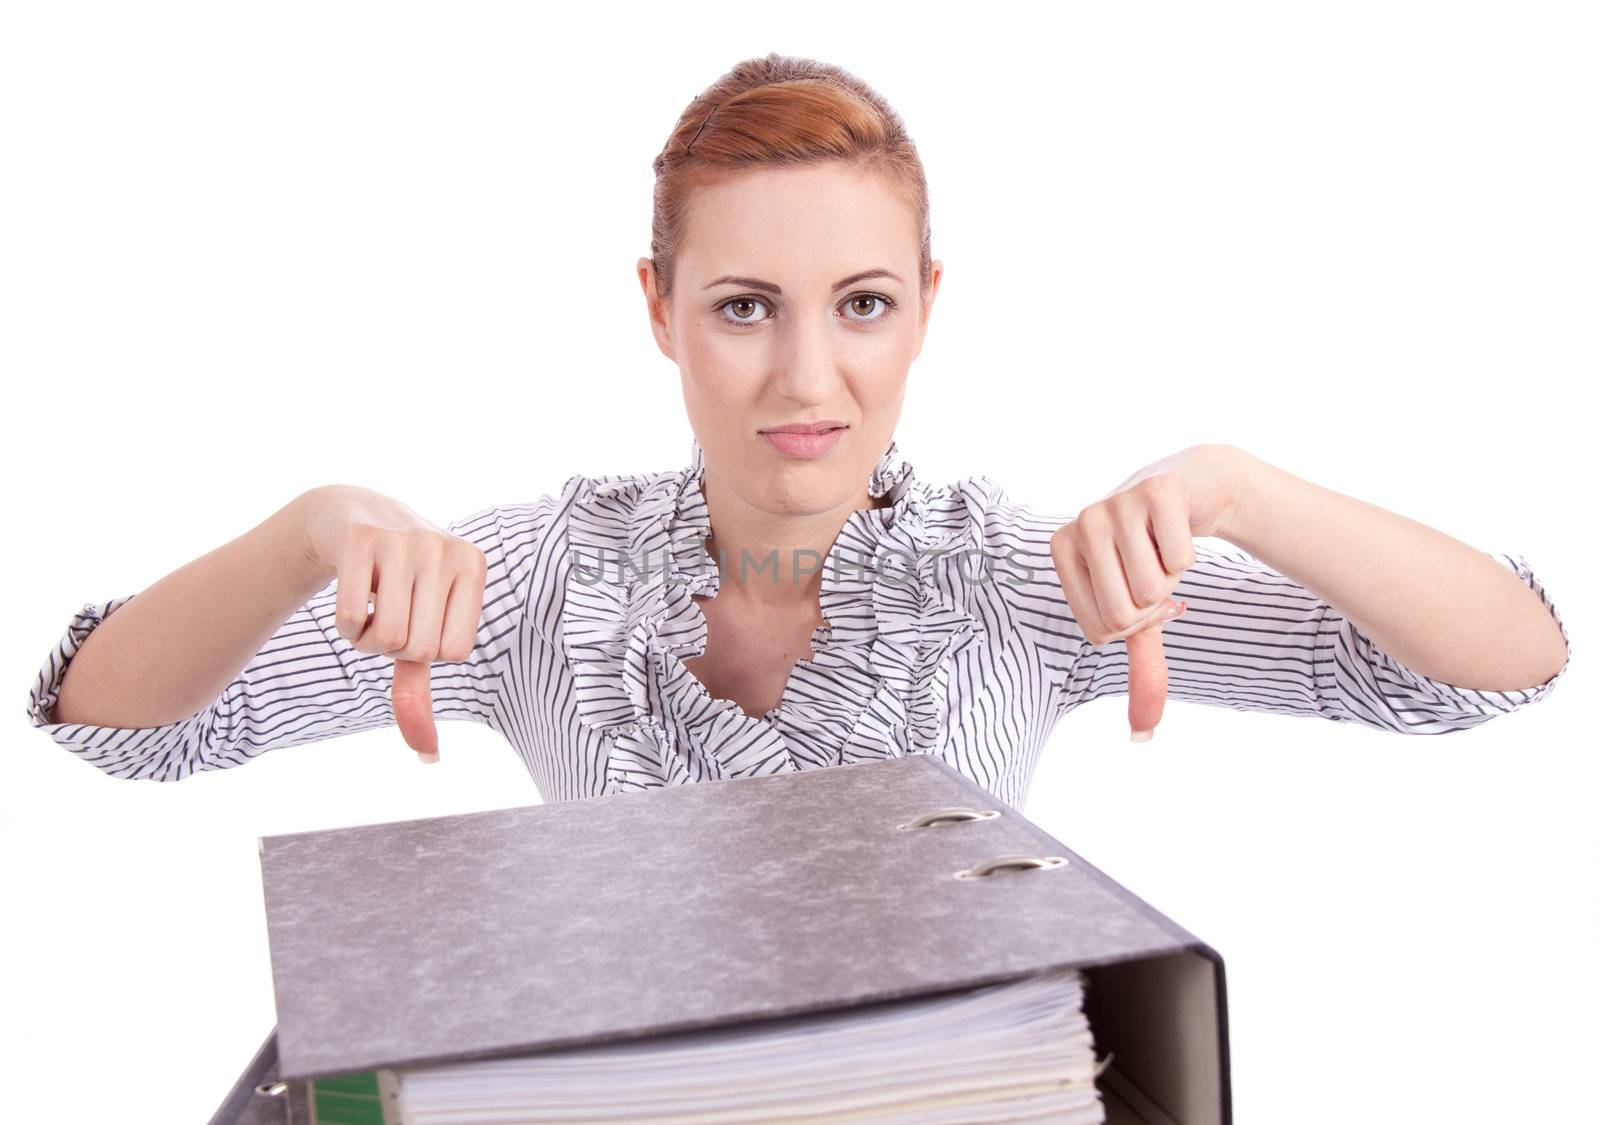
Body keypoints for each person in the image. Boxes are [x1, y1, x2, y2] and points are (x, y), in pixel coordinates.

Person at [26, 53, 1570, 809]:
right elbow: (120, 721)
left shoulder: (1033, 584)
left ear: (928, 303)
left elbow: (1495, 664)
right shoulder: (528, 583)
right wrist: (317, 524)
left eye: (865, 304)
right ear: (660, 306)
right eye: (748, 306)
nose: (807, 381)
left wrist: (1231, 484)